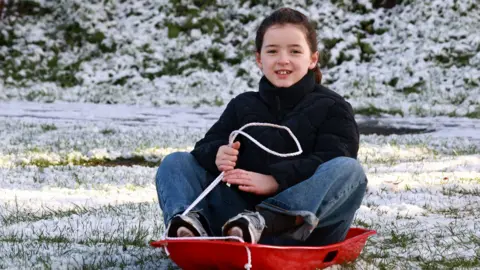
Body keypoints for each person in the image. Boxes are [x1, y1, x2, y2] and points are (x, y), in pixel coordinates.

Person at [155, 7, 367, 246]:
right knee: (176, 161)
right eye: (272, 51)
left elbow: (332, 160)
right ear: (259, 58)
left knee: (350, 170)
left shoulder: (333, 107)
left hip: (306, 227)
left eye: (295, 51)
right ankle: (188, 226)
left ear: (312, 59)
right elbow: (204, 148)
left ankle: (266, 220)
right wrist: (217, 154)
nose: (283, 59)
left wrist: (275, 180)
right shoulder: (243, 105)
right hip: (238, 222)